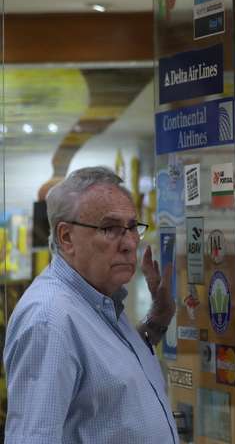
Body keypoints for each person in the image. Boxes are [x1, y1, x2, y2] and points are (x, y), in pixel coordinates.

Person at [3, 166, 179, 444]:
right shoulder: (50, 319)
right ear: (66, 237)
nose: (129, 243)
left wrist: (159, 317)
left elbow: (112, 370)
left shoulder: (100, 300)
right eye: (110, 229)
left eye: (132, 227)